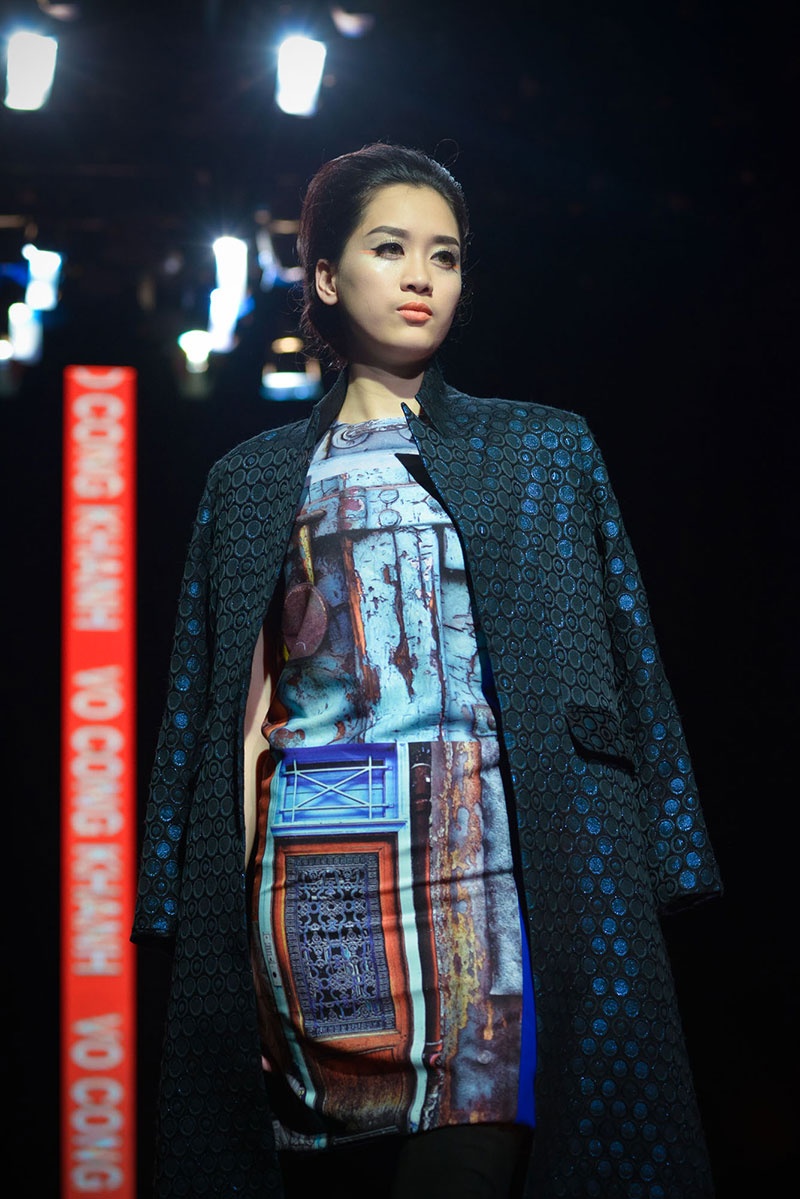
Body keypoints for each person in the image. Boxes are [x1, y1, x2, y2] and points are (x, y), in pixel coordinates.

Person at [133, 144, 722, 1199]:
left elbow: (623, 651)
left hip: (491, 874)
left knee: (479, 1150)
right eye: (389, 248)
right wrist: (216, 911)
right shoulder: (253, 478)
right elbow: (225, 712)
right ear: (324, 275)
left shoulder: (541, 450)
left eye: (444, 255)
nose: (421, 277)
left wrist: (666, 842)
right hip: (319, 882)